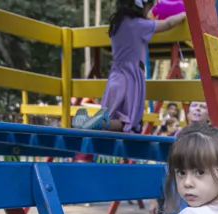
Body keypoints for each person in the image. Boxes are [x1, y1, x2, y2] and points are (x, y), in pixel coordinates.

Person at [72, 0, 186, 132]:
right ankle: (101, 123)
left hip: (115, 76)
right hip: (131, 77)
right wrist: (184, 15)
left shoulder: (117, 24)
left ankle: (89, 121)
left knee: (112, 115)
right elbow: (168, 23)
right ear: (143, 7)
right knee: (128, 121)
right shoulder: (140, 25)